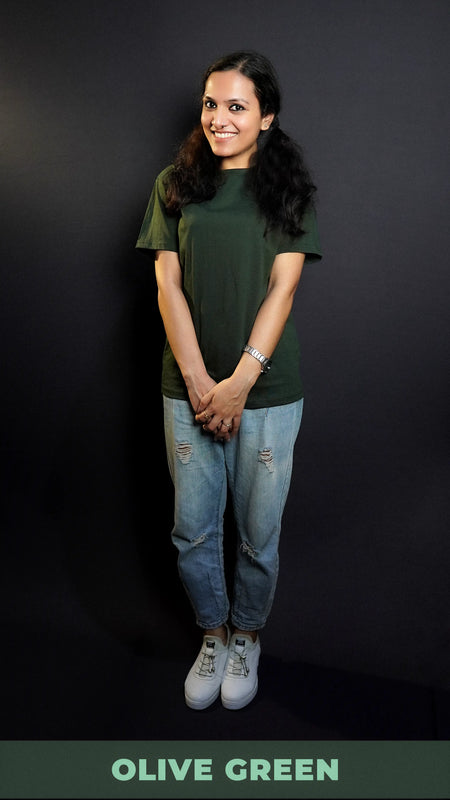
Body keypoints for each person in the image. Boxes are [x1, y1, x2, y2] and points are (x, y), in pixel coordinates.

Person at [136, 50, 321, 711]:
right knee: (191, 529)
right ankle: (212, 632)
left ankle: (247, 636)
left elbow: (284, 288)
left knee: (256, 533)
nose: (218, 118)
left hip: (266, 394)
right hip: (184, 389)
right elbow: (166, 282)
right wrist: (197, 380)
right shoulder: (175, 184)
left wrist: (239, 382)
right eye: (211, 104)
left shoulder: (289, 193)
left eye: (237, 106)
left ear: (266, 116)